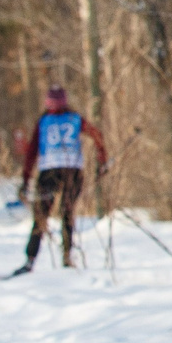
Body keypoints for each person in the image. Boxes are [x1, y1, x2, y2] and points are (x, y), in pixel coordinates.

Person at [13, 84, 109, 276]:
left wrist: (25, 179)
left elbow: (31, 153)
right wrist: (102, 160)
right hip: (72, 170)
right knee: (67, 213)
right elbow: (97, 135)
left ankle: (31, 259)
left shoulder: (44, 121)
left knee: (41, 216)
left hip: (48, 171)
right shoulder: (75, 119)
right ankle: (66, 256)